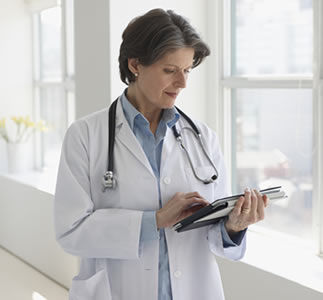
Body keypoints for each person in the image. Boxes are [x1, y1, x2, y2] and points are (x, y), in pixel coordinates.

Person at [54, 8, 268, 300]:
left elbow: (215, 235)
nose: (182, 83)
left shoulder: (203, 139)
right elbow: (71, 232)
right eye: (170, 70)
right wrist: (153, 220)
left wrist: (234, 227)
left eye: (187, 70)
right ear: (135, 65)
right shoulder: (85, 136)